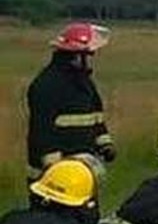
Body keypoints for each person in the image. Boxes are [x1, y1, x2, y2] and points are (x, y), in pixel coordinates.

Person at [26, 23, 115, 193]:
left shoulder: (84, 83)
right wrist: (55, 167)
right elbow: (41, 131)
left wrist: (105, 144)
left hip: (81, 171)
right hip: (51, 176)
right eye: (88, 56)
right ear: (75, 57)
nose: (90, 62)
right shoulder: (46, 85)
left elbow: (96, 117)